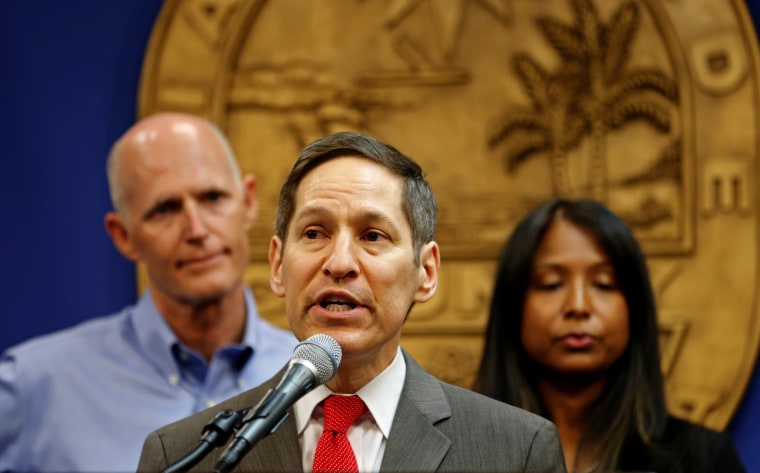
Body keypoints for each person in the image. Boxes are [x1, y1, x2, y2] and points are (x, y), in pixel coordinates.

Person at [137, 131, 568, 472]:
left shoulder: (515, 450)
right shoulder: (185, 453)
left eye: (372, 236)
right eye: (314, 233)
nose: (339, 262)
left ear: (426, 272)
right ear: (277, 264)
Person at [0, 113, 298, 472]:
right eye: (165, 209)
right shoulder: (33, 387)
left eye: (213, 197)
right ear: (123, 235)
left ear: (248, 202)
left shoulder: (314, 379)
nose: (197, 229)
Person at [474, 198, 747, 473]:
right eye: (551, 284)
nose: (578, 306)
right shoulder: (461, 452)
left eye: (604, 284)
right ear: (513, 305)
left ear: (634, 307)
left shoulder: (702, 458)